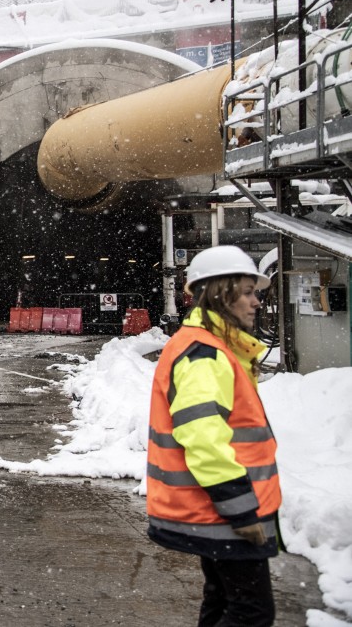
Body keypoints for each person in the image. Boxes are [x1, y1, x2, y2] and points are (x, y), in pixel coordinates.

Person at [146, 245, 280, 626]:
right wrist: (240, 509)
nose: (257, 301)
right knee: (251, 613)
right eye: (249, 291)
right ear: (221, 291)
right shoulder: (204, 354)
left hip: (216, 508)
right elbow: (203, 438)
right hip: (223, 511)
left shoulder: (214, 346)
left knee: (223, 601)